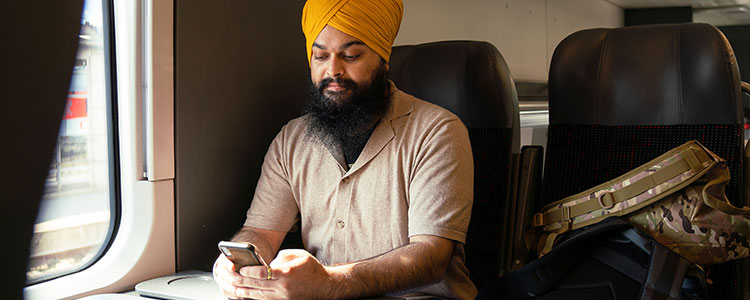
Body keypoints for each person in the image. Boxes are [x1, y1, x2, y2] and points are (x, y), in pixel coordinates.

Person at [212, 0, 476, 298]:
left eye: (350, 55)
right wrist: (235, 263)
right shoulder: (291, 140)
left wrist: (327, 282)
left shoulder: (437, 131)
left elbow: (431, 257)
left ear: (383, 59)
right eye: (320, 56)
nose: (332, 70)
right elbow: (261, 232)